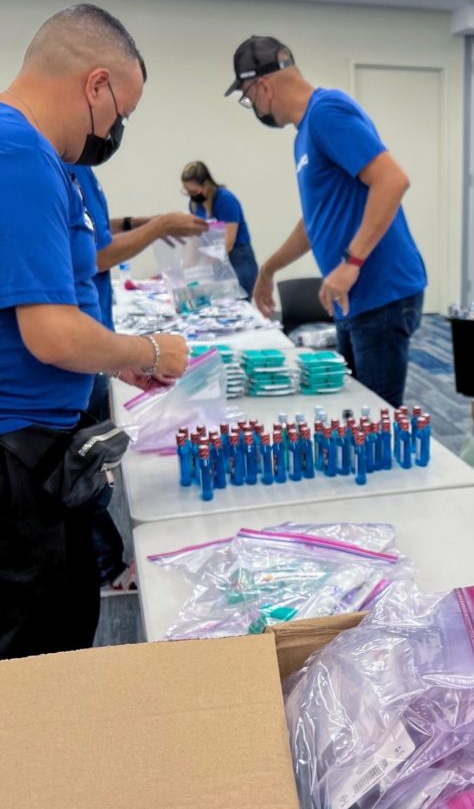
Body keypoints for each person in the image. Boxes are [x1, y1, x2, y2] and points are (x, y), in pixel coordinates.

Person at [0, 3, 188, 659]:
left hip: (38, 445)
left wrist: (114, 361)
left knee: (63, 620)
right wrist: (150, 350)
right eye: (120, 113)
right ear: (96, 84)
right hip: (17, 452)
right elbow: (51, 333)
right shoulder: (18, 151)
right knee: (35, 652)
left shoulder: (37, 157)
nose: (115, 130)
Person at [224, 36, 427, 407]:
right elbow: (317, 219)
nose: (252, 106)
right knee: (350, 410)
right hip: (354, 296)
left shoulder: (326, 113)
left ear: (263, 86)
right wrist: (268, 270)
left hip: (380, 291)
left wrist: (351, 263)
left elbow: (392, 180)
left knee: (374, 420)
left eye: (248, 97)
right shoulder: (305, 135)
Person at [70, 162, 206, 592]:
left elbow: (88, 231)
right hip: (79, 352)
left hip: (93, 346)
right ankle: (103, 567)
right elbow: (91, 254)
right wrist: (158, 226)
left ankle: (101, 563)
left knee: (90, 467)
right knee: (83, 474)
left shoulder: (78, 167)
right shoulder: (48, 158)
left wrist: (137, 223)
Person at [180, 160, 259, 297]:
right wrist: (189, 269)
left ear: (206, 185)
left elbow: (228, 244)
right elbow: (195, 239)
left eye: (193, 191)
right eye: (187, 192)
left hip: (237, 260)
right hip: (215, 261)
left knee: (237, 305)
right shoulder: (195, 205)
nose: (191, 196)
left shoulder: (225, 200)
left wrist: (204, 268)